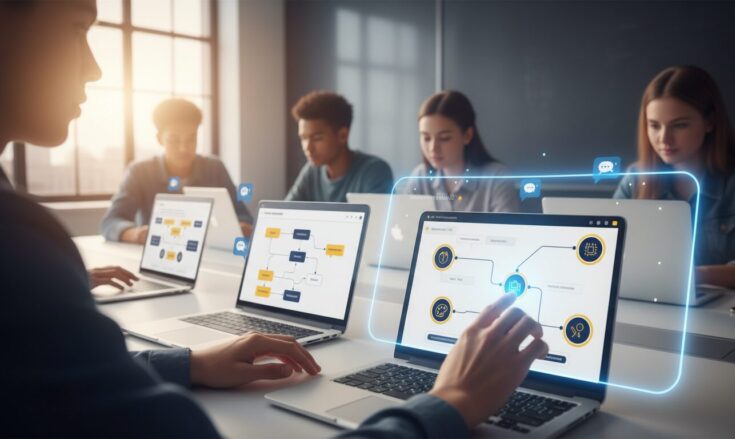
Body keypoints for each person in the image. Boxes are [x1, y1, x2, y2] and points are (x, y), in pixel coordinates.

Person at [0, 1, 547, 436]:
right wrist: (449, 405)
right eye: (76, 27)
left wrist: (185, 364)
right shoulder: (21, 249)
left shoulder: (395, 171)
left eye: (442, 137)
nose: (94, 65)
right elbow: (281, 213)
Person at [614, 65, 735, 290]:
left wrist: (694, 276)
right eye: (654, 126)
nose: (664, 138)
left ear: (710, 122)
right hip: (651, 305)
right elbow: (608, 250)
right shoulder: (636, 178)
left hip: (726, 315)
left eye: (680, 125)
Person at [101, 98, 254, 244]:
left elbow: (243, 216)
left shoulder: (215, 168)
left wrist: (240, 226)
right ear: (160, 139)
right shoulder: (140, 172)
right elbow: (110, 222)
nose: (184, 148)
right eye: (174, 140)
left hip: (210, 256)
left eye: (191, 139)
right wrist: (137, 234)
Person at [402, 90, 517, 213]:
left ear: (467, 135)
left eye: (444, 138)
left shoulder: (497, 178)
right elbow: (402, 225)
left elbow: (507, 231)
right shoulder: (420, 176)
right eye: (426, 138)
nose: (433, 148)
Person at [286, 91, 394, 202]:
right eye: (303, 138)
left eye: (317, 138)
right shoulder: (312, 171)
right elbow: (285, 213)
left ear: (343, 135)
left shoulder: (374, 171)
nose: (307, 147)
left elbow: (378, 218)